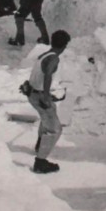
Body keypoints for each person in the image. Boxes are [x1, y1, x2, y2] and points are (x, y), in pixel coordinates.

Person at [28, 29, 71, 174]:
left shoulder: (44, 54)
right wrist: (46, 96)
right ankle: (40, 163)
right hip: (40, 95)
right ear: (65, 45)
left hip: (33, 93)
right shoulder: (54, 58)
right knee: (54, 129)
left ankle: (40, 145)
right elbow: (47, 75)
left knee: (46, 119)